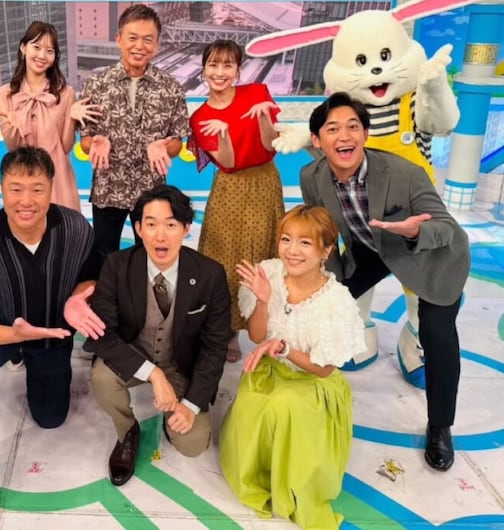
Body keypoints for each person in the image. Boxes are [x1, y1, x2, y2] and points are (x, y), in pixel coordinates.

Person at [300, 92, 469, 471]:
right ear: (317, 140)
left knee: (438, 335)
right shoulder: (312, 177)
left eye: (353, 127)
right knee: (322, 304)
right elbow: (324, 231)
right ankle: (308, 389)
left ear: (365, 134)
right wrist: (321, 282)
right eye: (332, 129)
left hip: (430, 256)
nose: (344, 136)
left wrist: (413, 231)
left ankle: (440, 426)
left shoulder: (404, 173)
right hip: (371, 249)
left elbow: (445, 227)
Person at [0, 146, 103, 529]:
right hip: (1, 330)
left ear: (52, 188)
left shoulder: (76, 229)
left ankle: (33, 360)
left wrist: (77, 299)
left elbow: (92, 276)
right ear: (2, 189)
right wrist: (13, 333)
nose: (26, 200)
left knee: (51, 419)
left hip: (52, 331)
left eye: (37, 189)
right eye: (15, 189)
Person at [220, 205, 366, 530]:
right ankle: (260, 471)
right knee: (257, 403)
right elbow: (256, 336)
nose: (292, 250)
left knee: (285, 406)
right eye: (286, 239)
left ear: (326, 251)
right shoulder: (270, 274)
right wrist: (263, 300)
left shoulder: (336, 300)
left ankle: (295, 483)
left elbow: (323, 370)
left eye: (305, 242)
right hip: (271, 370)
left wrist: (284, 348)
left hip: (313, 383)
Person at [84, 184, 230, 487]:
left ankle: (173, 413)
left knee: (192, 445)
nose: (160, 236)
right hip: (133, 355)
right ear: (138, 228)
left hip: (180, 362)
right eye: (151, 224)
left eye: (171, 225)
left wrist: (190, 405)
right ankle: (128, 431)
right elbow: (101, 335)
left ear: (186, 228)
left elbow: (215, 347)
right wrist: (153, 374)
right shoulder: (116, 265)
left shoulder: (210, 274)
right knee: (101, 377)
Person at [188, 40, 284, 363]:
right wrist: (225, 133)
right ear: (203, 70)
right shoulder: (201, 117)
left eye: (227, 65)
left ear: (238, 70)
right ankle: (227, 329)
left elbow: (270, 144)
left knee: (263, 252)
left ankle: (262, 323)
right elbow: (227, 162)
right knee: (224, 257)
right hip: (229, 187)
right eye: (213, 65)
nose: (220, 72)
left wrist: (264, 118)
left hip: (265, 181)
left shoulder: (257, 93)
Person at [79, 3, 189, 257]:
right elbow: (85, 139)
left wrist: (165, 147)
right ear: (119, 39)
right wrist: (94, 143)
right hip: (108, 187)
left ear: (157, 44)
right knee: (104, 255)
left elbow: (177, 141)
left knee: (149, 254)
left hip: (151, 190)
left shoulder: (171, 87)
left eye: (148, 39)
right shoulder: (96, 84)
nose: (140, 46)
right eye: (133, 38)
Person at [0, 20, 100, 212]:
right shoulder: (4, 94)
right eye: (36, 47)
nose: (42, 55)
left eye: (49, 51)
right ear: (23, 48)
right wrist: (16, 117)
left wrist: (71, 118)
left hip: (57, 177)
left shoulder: (66, 93)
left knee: (62, 227)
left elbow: (65, 147)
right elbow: (11, 146)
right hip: (23, 178)